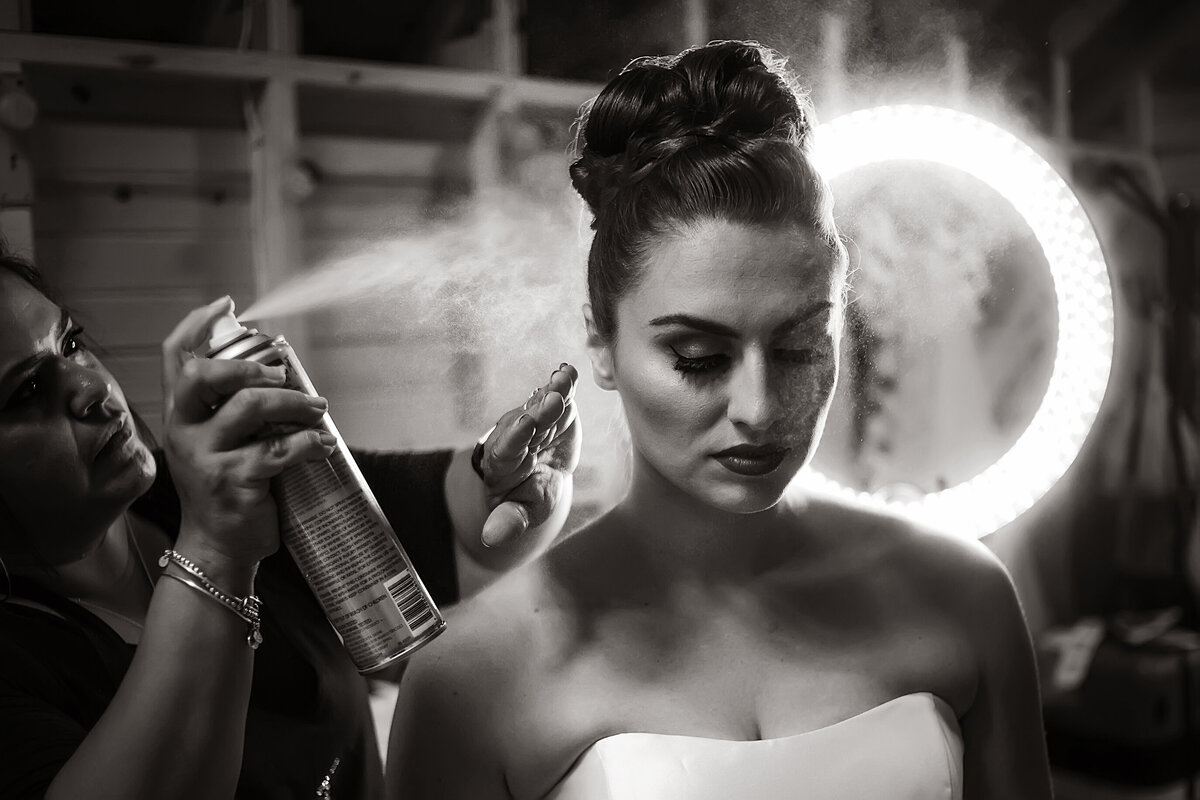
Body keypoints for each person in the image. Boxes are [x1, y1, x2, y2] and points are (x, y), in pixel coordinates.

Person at [386, 40, 1053, 800]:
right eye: (699, 358)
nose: (761, 409)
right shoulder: (474, 679)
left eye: (801, 347)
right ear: (601, 343)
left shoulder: (963, 596)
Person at [0, 250, 580, 800]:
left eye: (71, 343)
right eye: (27, 391)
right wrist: (217, 547)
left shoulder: (197, 491)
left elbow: (461, 537)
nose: (93, 389)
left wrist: (514, 478)